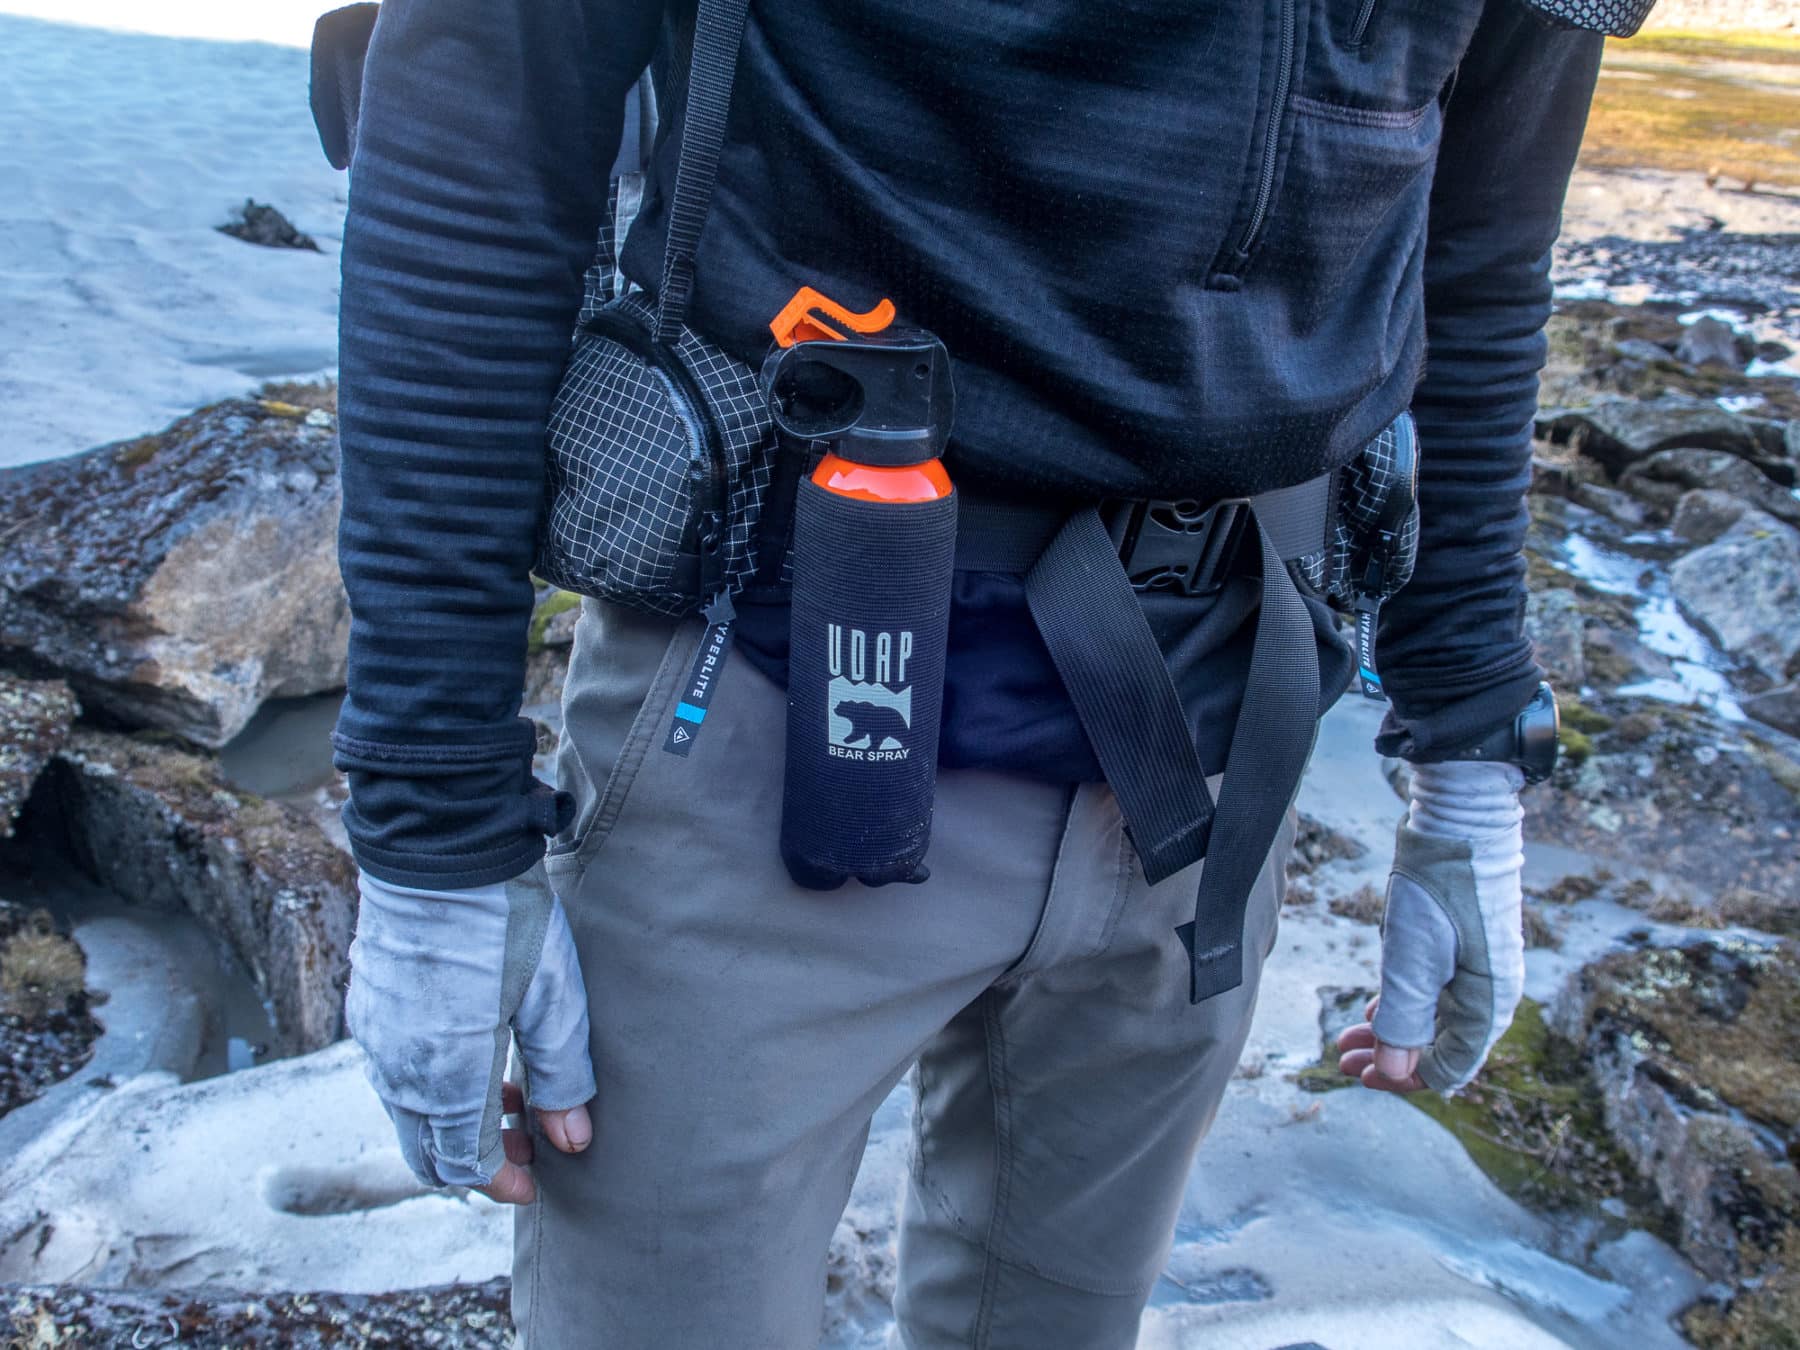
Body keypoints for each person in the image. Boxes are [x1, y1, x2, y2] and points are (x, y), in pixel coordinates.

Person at [331, 1, 1607, 1345]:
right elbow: (476, 142)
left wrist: (1471, 751)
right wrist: (433, 833)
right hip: (769, 699)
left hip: (1217, 750)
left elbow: (1480, 237)